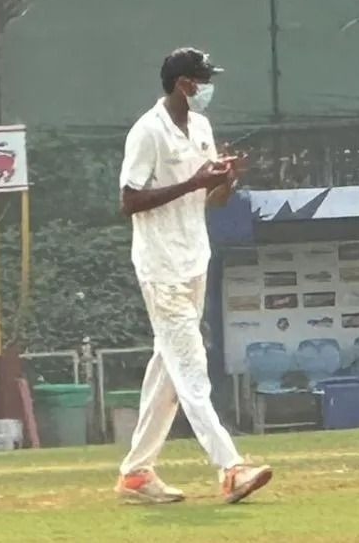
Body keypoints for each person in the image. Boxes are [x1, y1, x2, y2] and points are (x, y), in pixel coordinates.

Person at [115, 47, 269, 505]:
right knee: (190, 368)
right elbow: (129, 201)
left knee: (169, 366)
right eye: (203, 80)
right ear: (185, 83)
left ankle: (136, 473)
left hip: (193, 258)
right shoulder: (147, 132)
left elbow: (212, 200)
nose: (208, 88)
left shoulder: (200, 127)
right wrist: (194, 183)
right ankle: (230, 467)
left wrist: (225, 180)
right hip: (160, 266)